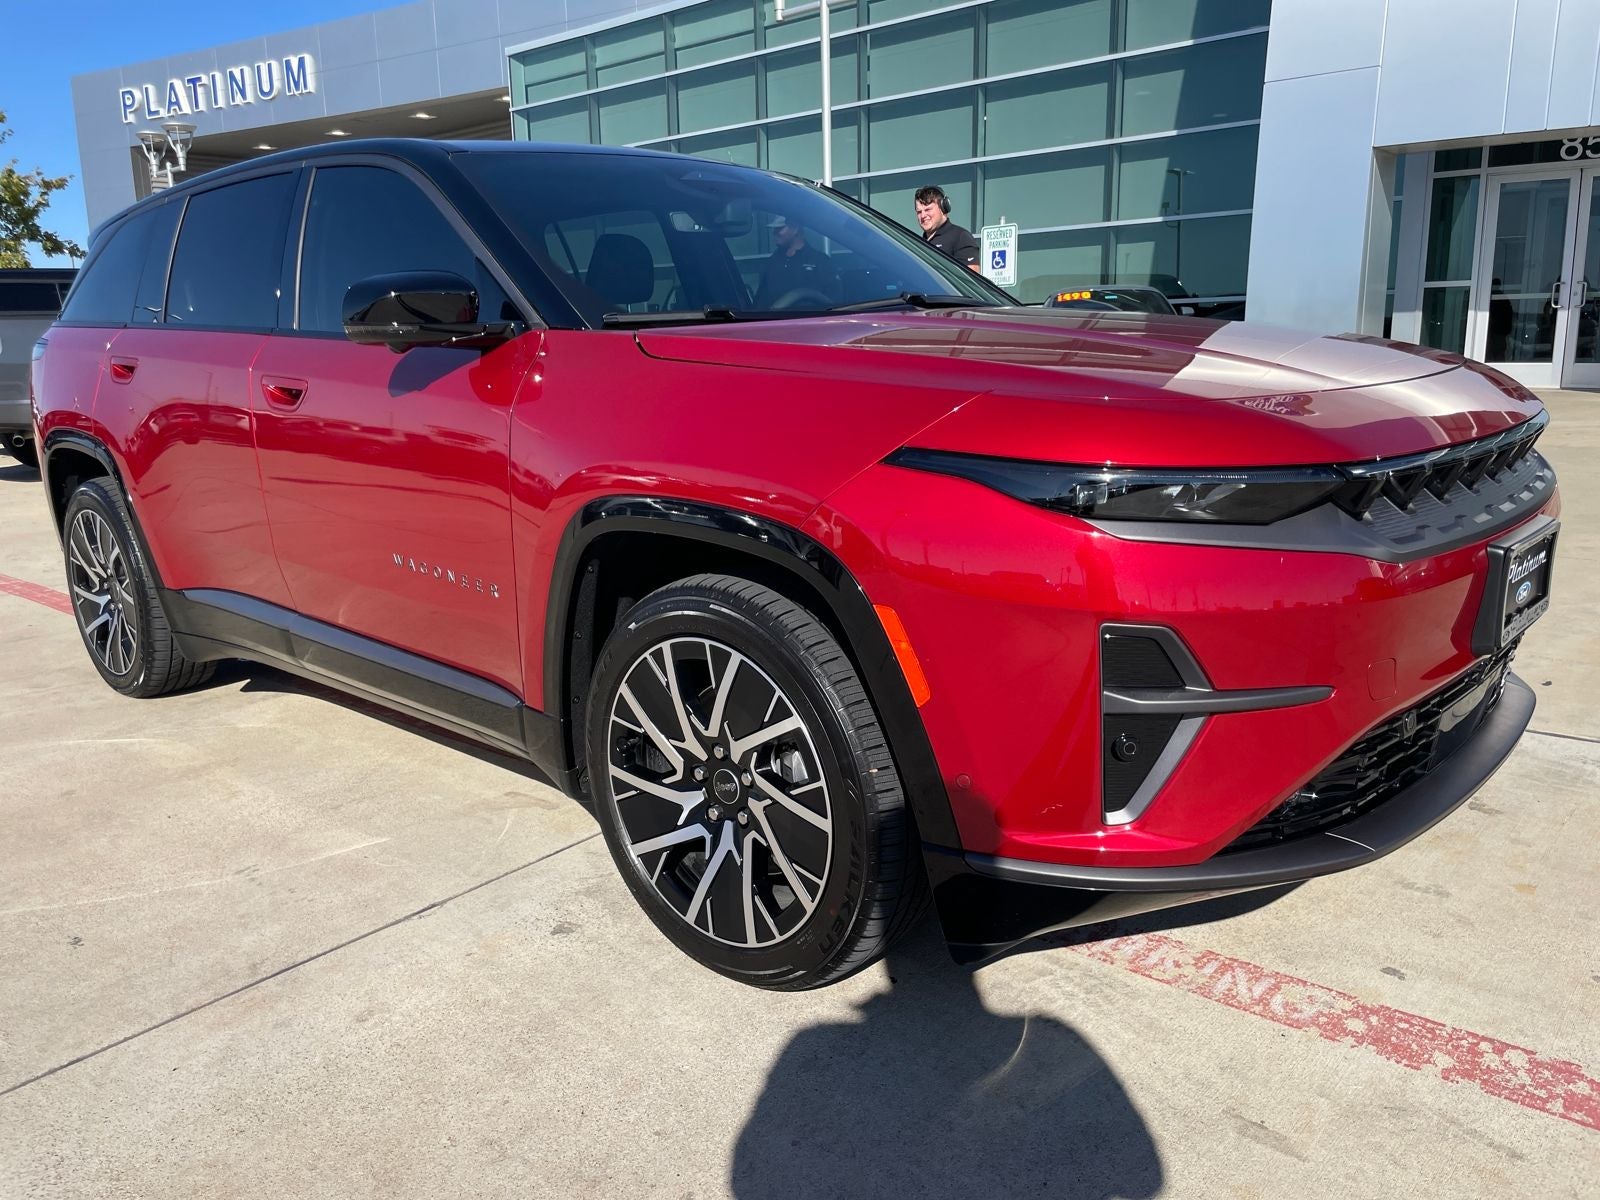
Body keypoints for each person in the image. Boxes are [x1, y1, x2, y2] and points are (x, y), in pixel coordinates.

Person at [752, 215, 837, 309]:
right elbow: (760, 300)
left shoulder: (820, 261)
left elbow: (833, 302)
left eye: (779, 229)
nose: (774, 233)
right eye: (774, 229)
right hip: (772, 321)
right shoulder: (772, 262)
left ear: (795, 229)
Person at [914, 185, 981, 271]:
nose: (923, 215)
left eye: (928, 210)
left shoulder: (960, 237)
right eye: (919, 212)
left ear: (943, 208)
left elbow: (970, 279)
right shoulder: (918, 244)